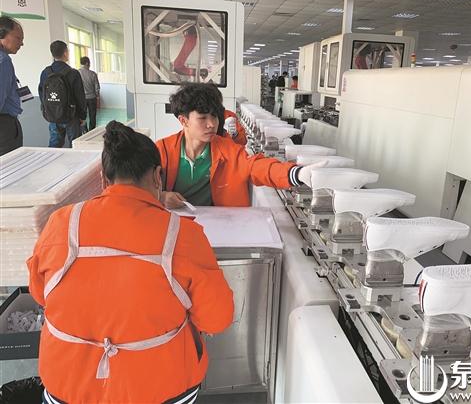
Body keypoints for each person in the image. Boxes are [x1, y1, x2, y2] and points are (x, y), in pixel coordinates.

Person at [27, 120, 234, 403]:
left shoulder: (61, 223)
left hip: (66, 386)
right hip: (161, 389)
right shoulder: (183, 235)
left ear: (103, 179)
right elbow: (217, 318)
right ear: (158, 177)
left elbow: (40, 292)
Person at [156, 83, 322, 208]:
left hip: (216, 222)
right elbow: (141, 186)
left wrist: (296, 173)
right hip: (173, 222)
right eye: (203, 118)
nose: (211, 124)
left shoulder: (227, 150)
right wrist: (160, 197)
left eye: (214, 116)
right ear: (183, 120)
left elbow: (257, 166)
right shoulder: (162, 151)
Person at [39, 40, 86, 148]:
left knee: (54, 145)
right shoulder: (73, 73)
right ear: (65, 53)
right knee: (75, 145)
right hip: (71, 115)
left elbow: (42, 94)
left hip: (53, 115)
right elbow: (80, 96)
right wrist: (82, 115)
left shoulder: (46, 72)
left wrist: (48, 109)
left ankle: (52, 159)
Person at [0, 16, 24, 156]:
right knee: (9, 165)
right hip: (4, 127)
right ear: (2, 35)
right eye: (18, 38)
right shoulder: (3, 61)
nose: (21, 43)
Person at [78, 56, 100, 132]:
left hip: (81, 99)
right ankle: (92, 131)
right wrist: (97, 96)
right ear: (87, 63)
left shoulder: (77, 73)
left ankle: (84, 130)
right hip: (92, 98)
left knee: (82, 116)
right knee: (92, 115)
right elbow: (97, 87)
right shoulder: (93, 74)